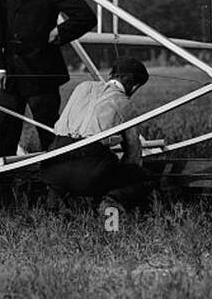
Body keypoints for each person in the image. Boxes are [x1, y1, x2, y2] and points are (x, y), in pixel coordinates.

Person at [0, 0, 96, 160]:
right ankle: (0, 180)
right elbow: (1, 27)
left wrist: (60, 32)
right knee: (4, 132)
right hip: (11, 75)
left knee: (48, 129)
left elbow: (85, 17)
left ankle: (56, 174)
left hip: (41, 72)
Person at [38, 56, 154, 212]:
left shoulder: (82, 87)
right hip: (89, 171)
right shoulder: (126, 104)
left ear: (111, 75)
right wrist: (124, 172)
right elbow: (133, 153)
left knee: (62, 177)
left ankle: (55, 205)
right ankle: (112, 204)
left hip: (52, 165)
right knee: (143, 177)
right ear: (134, 86)